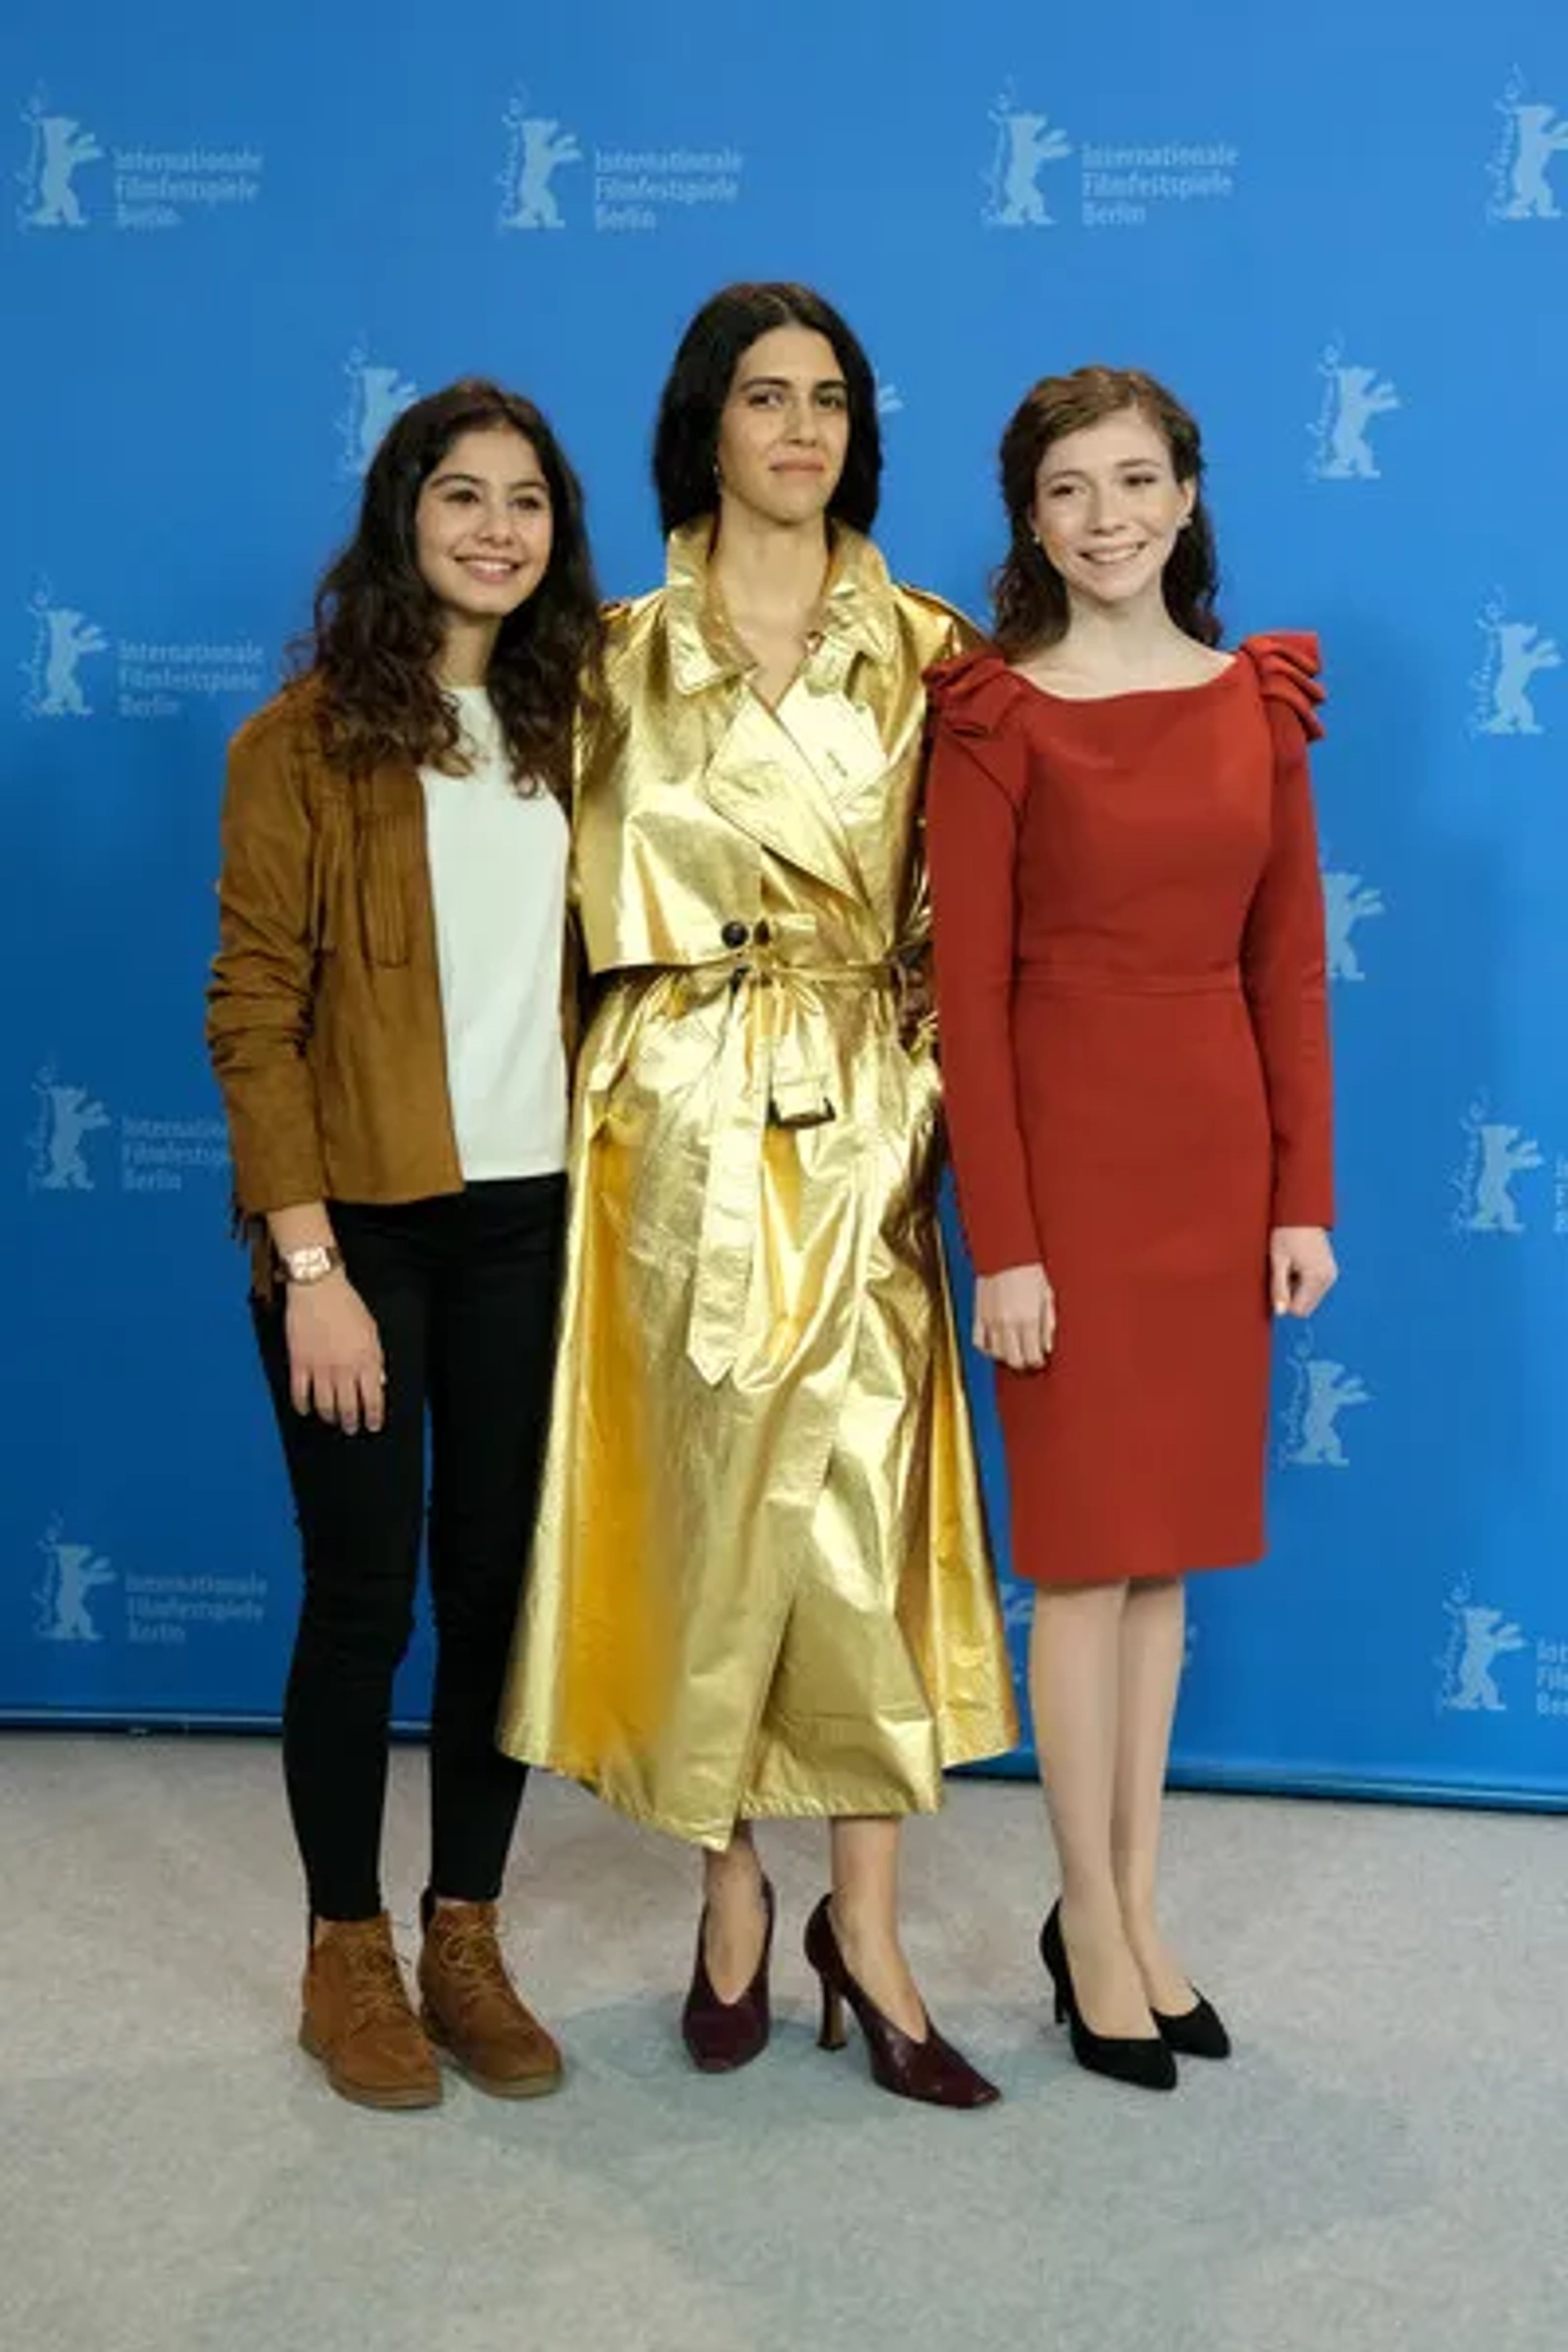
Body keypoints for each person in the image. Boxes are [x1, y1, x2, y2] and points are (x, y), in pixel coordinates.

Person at [498, 283, 1016, 2110]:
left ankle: (863, 1931)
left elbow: (981, 936)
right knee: (709, 1526)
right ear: (701, 427)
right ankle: (729, 1896)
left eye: (828, 399)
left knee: (861, 1525)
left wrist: (916, 1108)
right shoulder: (610, 657)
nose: (799, 428)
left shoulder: (943, 654)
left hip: (864, 1115)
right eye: (761, 396)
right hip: (670, 1137)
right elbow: (518, 913)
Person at [924, 365, 1337, 2091]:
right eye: (1070, 489)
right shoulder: (996, 714)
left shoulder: (1258, 701)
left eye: (1137, 480)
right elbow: (967, 998)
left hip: (1213, 1164)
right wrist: (1002, 1241)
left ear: (1187, 497)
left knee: (1164, 1561)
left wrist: (1301, 1192)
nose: (1107, 517)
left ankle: (1141, 1903)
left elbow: (1288, 964)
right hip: (1068, 1177)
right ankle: (1082, 1911)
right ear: (1031, 518)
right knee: (1080, 1565)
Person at [206, 380, 603, 2109]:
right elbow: (252, 1009)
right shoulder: (298, 742)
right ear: (402, 516)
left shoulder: (576, 729)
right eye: (463, 496)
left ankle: (466, 1934)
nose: (496, 528)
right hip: (358, 1232)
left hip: (536, 1231)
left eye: (525, 502)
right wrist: (311, 1271)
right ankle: (343, 1950)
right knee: (365, 1599)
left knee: (498, 1599)